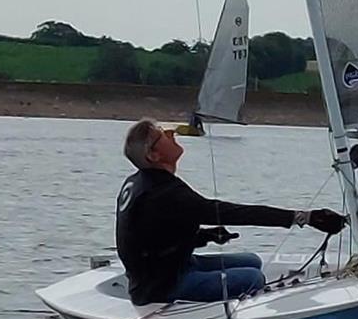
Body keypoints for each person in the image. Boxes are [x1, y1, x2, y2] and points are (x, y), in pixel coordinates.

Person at [116, 118, 346, 306]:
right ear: (153, 156)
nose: (172, 133)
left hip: (169, 269)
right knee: (253, 278)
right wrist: (305, 218)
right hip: (163, 285)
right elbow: (232, 213)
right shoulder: (164, 193)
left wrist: (203, 236)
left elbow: (150, 236)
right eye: (163, 134)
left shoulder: (142, 184)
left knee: (253, 261)